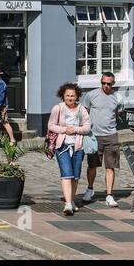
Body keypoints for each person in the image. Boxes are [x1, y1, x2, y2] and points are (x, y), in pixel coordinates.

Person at [81, 72, 126, 207]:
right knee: (92, 165)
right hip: (94, 136)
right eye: (104, 83)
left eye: (109, 84)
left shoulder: (117, 97)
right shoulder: (91, 95)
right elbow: (85, 113)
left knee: (110, 166)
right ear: (101, 82)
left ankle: (109, 195)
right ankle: (90, 189)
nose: (106, 86)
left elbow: (119, 113)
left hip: (111, 135)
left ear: (113, 84)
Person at [48, 83, 91, 215]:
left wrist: (76, 129)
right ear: (63, 96)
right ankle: (67, 204)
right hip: (62, 146)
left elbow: (87, 127)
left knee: (75, 176)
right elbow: (51, 125)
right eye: (67, 95)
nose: (70, 98)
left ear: (77, 96)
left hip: (78, 146)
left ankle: (71, 200)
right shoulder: (58, 108)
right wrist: (64, 129)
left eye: (72, 95)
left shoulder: (82, 110)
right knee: (66, 174)